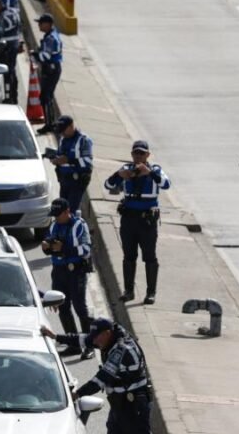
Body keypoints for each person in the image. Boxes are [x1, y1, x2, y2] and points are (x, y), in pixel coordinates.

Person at [41, 318, 152, 434]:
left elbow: (101, 379)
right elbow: (82, 339)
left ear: (107, 333)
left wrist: (77, 394)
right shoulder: (108, 338)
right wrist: (56, 336)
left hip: (133, 406)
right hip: (119, 403)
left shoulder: (122, 350)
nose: (94, 342)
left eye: (96, 337)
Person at [104, 140, 170, 305]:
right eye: (136, 153)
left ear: (148, 155)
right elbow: (107, 184)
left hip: (147, 220)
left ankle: (151, 293)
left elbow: (166, 184)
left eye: (142, 153)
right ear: (132, 154)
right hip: (129, 219)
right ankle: (129, 291)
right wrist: (118, 175)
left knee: (149, 256)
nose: (138, 156)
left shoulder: (155, 170)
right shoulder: (126, 169)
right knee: (129, 256)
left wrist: (149, 173)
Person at [42, 198, 94, 359]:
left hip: (75, 271)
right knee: (62, 306)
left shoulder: (79, 225)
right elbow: (50, 245)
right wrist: (47, 247)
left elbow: (86, 248)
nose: (56, 218)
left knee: (80, 308)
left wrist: (65, 248)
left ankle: (89, 344)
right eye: (54, 215)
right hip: (58, 271)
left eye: (59, 215)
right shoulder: (54, 225)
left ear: (67, 212)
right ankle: (73, 344)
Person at [47, 115, 93, 214]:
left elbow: (88, 161)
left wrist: (68, 160)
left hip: (77, 180)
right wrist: (55, 159)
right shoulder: (63, 139)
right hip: (64, 180)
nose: (62, 133)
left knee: (71, 211)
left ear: (71, 126)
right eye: (60, 131)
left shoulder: (83, 140)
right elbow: (61, 155)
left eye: (64, 130)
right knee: (62, 208)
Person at [0, 0, 21, 104]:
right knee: (12, 71)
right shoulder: (13, 11)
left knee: (6, 73)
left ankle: (8, 97)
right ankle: (14, 95)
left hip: (7, 48)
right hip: (14, 46)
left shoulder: (3, 17)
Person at [34, 13, 62, 123]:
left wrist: (36, 55)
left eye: (41, 23)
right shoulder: (51, 35)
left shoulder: (50, 38)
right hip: (51, 69)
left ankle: (50, 124)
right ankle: (50, 123)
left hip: (52, 69)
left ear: (48, 24)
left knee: (46, 97)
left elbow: (46, 56)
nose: (39, 25)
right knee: (46, 96)